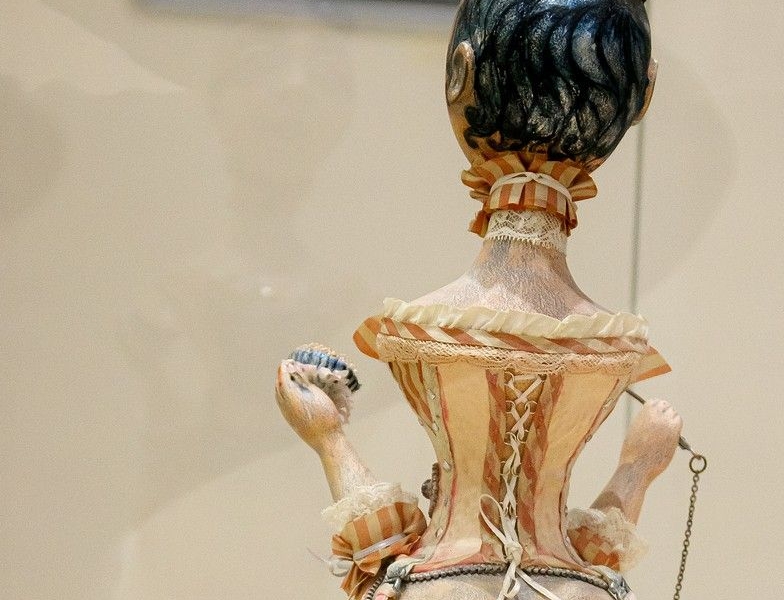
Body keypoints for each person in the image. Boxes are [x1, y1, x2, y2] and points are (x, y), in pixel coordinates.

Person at [275, 1, 683, 598]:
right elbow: (593, 551)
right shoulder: (611, 346)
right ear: (640, 97)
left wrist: (328, 439)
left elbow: (378, 553)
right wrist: (638, 468)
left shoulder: (425, 329)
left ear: (461, 75)